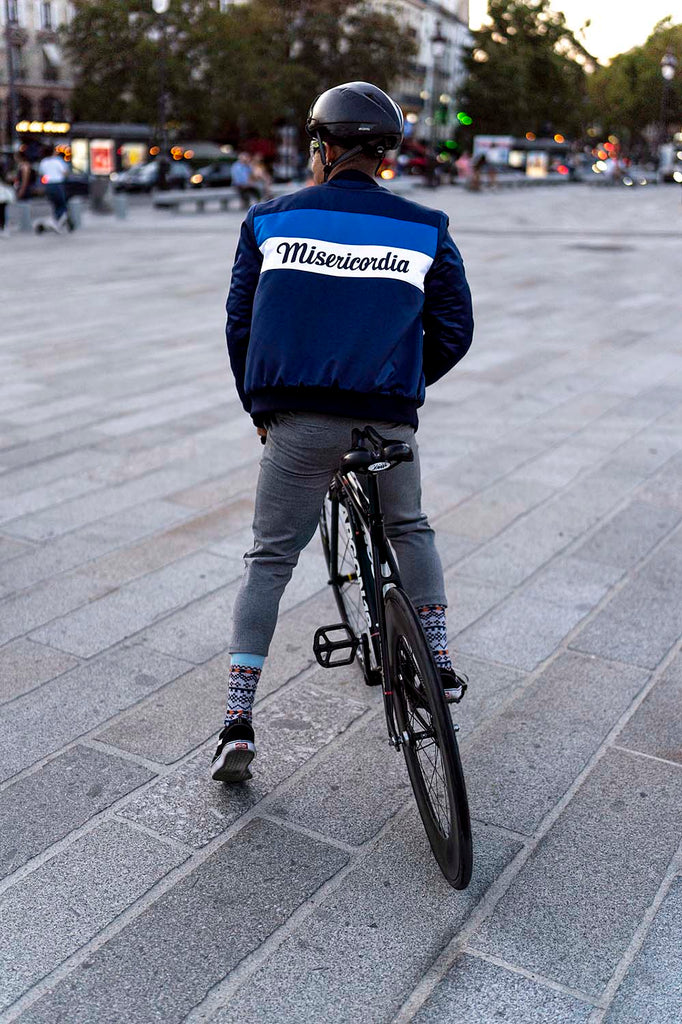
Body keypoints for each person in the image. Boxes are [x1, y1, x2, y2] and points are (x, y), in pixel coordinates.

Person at [212, 81, 474, 783]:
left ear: (322, 149)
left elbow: (240, 325)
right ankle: (440, 661)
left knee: (270, 558)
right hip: (384, 417)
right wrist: (397, 381)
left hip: (296, 419)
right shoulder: (425, 225)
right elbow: (454, 330)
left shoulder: (269, 219)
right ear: (385, 157)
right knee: (410, 526)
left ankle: (237, 720)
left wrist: (261, 410)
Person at [38, 144, 71, 232]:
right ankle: (59, 222)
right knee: (62, 203)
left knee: (55, 203)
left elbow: (41, 174)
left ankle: (58, 220)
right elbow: (65, 172)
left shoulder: (43, 162)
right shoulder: (58, 161)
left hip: (49, 185)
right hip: (58, 184)